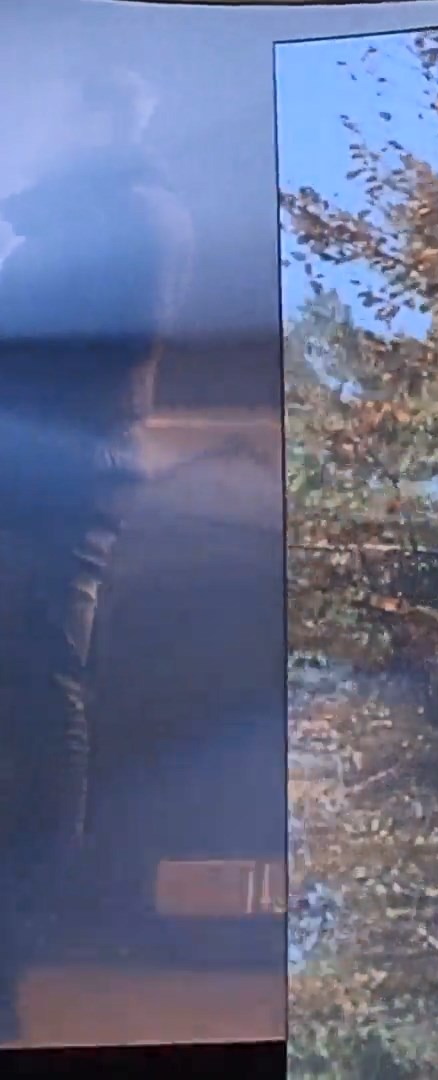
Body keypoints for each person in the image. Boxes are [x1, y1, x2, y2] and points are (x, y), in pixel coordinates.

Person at [0, 66, 191, 1040]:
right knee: (38, 694)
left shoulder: (130, 218)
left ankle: (21, 937)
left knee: (40, 698)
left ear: (96, 117)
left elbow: (62, 340)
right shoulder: (81, 213)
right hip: (48, 478)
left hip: (55, 485)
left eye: (53, 111)